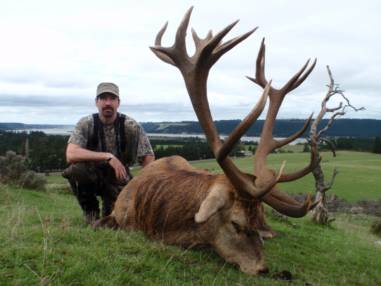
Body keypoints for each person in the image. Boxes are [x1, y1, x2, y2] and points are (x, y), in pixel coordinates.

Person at [62, 82, 155, 224]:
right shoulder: (86, 123)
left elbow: (148, 159)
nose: (107, 103)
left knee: (114, 219)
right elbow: (71, 154)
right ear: (96, 102)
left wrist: (141, 186)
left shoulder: (131, 126)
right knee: (76, 171)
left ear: (118, 102)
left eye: (112, 98)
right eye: (103, 98)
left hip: (119, 178)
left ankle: (110, 209)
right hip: (92, 175)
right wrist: (108, 156)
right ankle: (90, 213)